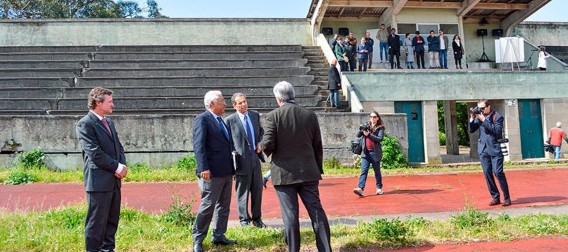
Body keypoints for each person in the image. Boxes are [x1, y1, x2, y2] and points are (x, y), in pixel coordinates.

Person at [262, 81, 331, 252]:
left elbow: (268, 144)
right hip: (308, 172)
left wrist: (263, 147)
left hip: (284, 174)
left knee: (290, 216)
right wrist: (317, 167)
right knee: (316, 212)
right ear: (293, 95)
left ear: (278, 98)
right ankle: (325, 249)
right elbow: (318, 145)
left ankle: (293, 249)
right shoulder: (310, 115)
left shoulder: (273, 116)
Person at [76, 87, 128, 252]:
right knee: (96, 223)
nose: (113, 104)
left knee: (112, 221)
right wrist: (116, 166)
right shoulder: (85, 123)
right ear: (98, 102)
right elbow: (94, 153)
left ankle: (108, 249)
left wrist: (122, 165)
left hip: (114, 180)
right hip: (98, 183)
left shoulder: (109, 122)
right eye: (110, 101)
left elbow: (118, 147)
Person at [191, 90, 236, 252]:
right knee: (208, 205)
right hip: (211, 172)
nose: (225, 104)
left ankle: (219, 235)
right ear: (212, 104)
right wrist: (203, 167)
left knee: (223, 205)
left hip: (225, 170)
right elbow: (199, 145)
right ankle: (197, 239)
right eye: (222, 101)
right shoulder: (202, 119)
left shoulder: (220, 120)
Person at [225, 93, 266, 228]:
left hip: (255, 158)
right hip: (241, 161)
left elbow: (261, 132)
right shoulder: (230, 120)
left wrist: (260, 143)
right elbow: (229, 142)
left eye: (245, 101)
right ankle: (244, 220)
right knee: (242, 191)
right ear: (234, 106)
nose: (244, 104)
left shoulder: (254, 115)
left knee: (257, 189)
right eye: (240, 103)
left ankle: (257, 218)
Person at [468, 99, 511, 207]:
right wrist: (472, 118)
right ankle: (495, 197)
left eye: (482, 108)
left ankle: (507, 198)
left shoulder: (498, 116)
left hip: (495, 148)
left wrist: (484, 120)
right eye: (479, 108)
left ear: (488, 107)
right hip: (483, 149)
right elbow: (471, 130)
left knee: (498, 172)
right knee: (487, 173)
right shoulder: (479, 116)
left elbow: (496, 131)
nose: (481, 110)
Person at [353, 111, 385, 197]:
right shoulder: (366, 126)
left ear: (378, 118)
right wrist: (361, 129)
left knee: (377, 172)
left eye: (374, 117)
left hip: (375, 153)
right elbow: (358, 135)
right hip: (365, 152)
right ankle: (360, 188)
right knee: (364, 171)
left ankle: (379, 188)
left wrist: (369, 135)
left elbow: (379, 139)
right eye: (371, 116)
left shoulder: (380, 128)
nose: (372, 118)